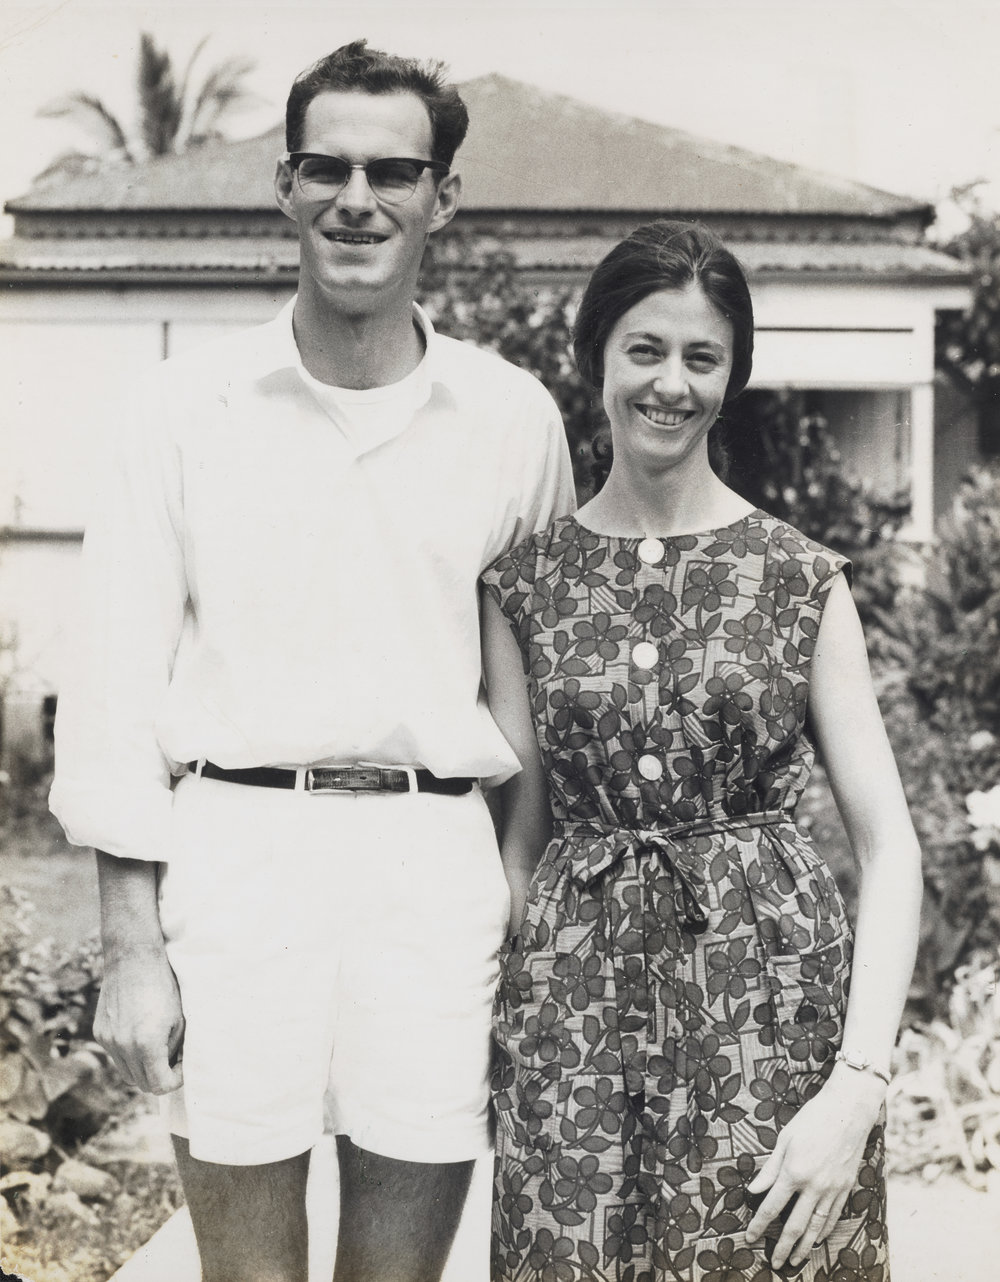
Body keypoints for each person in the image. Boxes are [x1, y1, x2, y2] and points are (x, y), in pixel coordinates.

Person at [50, 39, 575, 1282]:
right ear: (283, 186)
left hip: (432, 869)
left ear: (442, 197)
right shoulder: (181, 409)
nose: (358, 198)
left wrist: (508, 892)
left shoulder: (512, 420)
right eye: (325, 167)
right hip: (239, 863)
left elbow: (547, 688)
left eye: (394, 171)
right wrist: (130, 949)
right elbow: (116, 685)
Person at [480, 220, 922, 1281]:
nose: (668, 383)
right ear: (595, 358)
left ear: (732, 377)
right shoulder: (521, 584)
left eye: (700, 355)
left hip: (766, 1019)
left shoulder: (799, 575)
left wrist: (856, 1084)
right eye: (643, 348)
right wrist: (489, 1028)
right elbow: (519, 841)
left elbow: (892, 847)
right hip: (569, 1024)